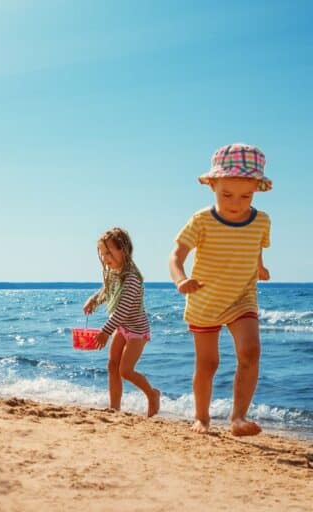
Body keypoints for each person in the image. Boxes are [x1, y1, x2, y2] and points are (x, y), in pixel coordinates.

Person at [169, 143, 272, 436]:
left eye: (246, 195)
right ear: (212, 184)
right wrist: (181, 280)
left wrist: (260, 266)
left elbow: (254, 247)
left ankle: (238, 418)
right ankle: (201, 417)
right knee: (209, 362)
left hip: (241, 296)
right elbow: (175, 255)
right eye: (227, 194)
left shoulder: (262, 221)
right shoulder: (202, 220)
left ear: (257, 188)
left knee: (250, 350)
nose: (237, 203)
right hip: (205, 299)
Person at [83, 228, 160, 417]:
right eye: (103, 253)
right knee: (112, 365)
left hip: (137, 331)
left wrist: (105, 331)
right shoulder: (113, 273)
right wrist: (93, 300)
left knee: (125, 370)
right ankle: (115, 408)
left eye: (109, 252)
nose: (105, 257)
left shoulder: (132, 278)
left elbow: (122, 310)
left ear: (123, 250)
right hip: (122, 327)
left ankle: (152, 394)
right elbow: (106, 291)